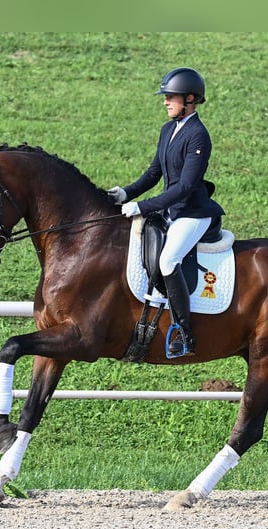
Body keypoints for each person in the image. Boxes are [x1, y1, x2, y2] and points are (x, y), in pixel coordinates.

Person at [108, 67, 225, 357]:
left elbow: (185, 186)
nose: (165, 101)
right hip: (172, 210)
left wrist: (143, 206)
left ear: (189, 99)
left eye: (170, 97)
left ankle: (184, 333)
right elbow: (154, 172)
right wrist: (126, 193)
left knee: (169, 260)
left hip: (193, 213)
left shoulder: (199, 136)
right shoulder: (167, 130)